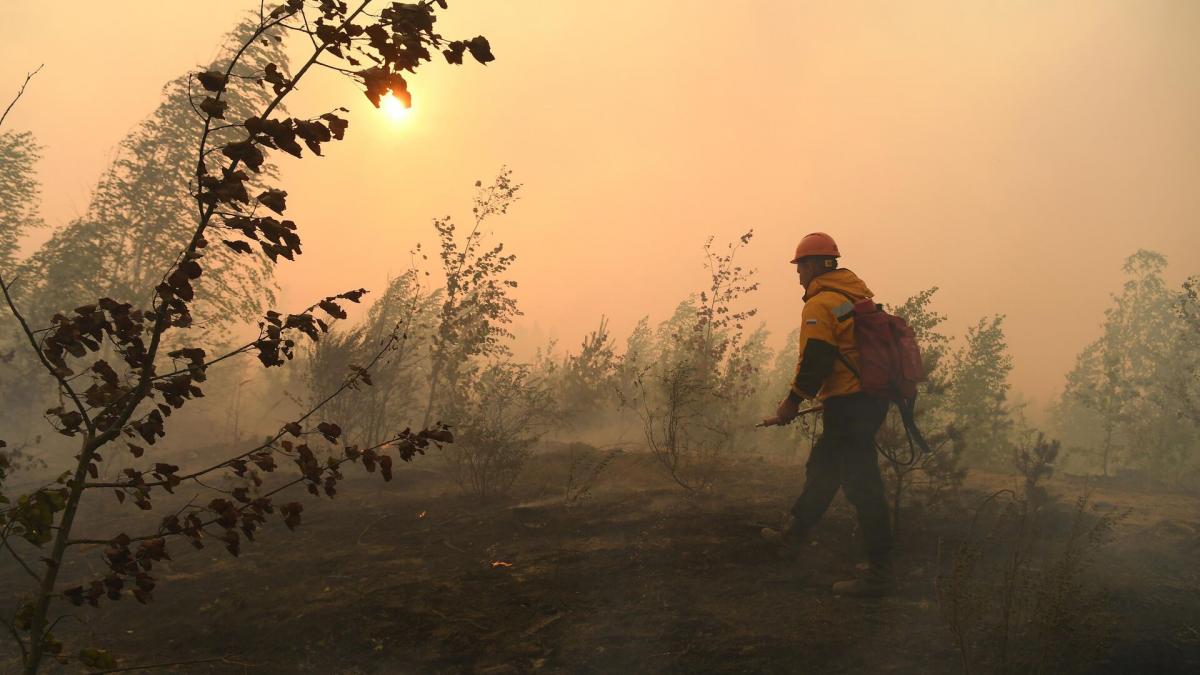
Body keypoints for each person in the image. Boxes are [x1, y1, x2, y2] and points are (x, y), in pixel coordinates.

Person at [760, 232, 895, 597]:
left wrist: (792, 402)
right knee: (824, 468)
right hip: (864, 400)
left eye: (801, 265)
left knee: (860, 483)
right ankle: (794, 536)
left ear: (819, 264)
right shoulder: (849, 300)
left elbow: (818, 357)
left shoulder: (821, 304)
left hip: (851, 404)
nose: (798, 273)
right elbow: (844, 347)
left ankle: (880, 572)